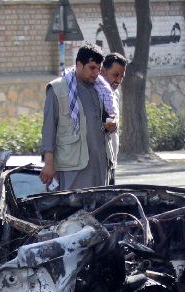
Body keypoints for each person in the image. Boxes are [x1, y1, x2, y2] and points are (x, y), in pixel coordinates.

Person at [40, 45, 114, 190]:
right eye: (92, 68)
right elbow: (49, 129)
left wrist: (109, 125)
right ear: (79, 64)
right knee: (73, 211)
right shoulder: (58, 89)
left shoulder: (99, 88)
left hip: (98, 166)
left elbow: (100, 121)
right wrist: (49, 164)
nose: (96, 73)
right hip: (72, 169)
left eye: (99, 69)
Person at [101, 52, 128, 185]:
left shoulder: (114, 92)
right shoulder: (96, 91)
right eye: (115, 75)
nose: (118, 80)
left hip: (111, 159)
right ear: (103, 71)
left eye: (122, 76)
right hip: (98, 160)